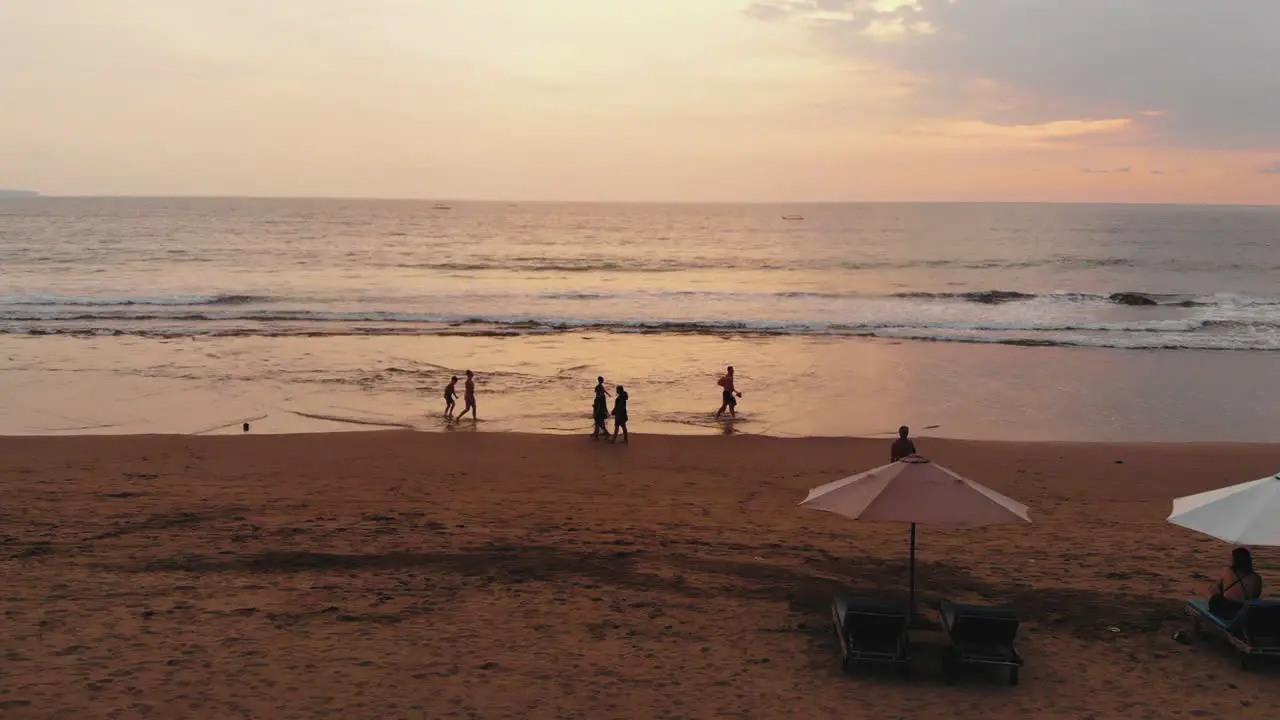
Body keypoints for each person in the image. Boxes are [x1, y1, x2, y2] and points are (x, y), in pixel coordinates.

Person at [1207, 547, 1263, 620]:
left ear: (1235, 560)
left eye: (1231, 558)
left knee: (1212, 591)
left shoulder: (1227, 571)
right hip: (1243, 611)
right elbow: (1255, 597)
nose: (1230, 559)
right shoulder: (1257, 578)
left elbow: (1218, 589)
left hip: (1225, 610)